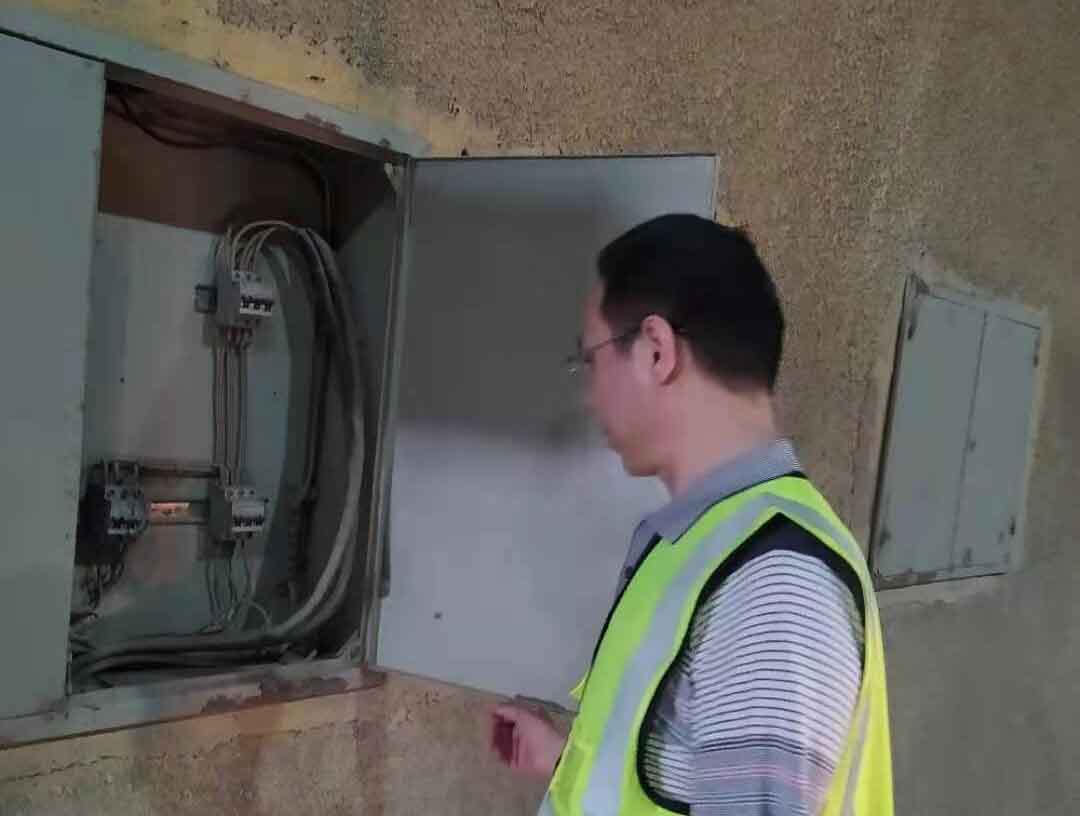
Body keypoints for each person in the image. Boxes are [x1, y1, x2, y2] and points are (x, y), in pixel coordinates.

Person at [489, 214, 893, 816]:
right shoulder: (710, 544)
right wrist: (566, 759)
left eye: (590, 360)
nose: (589, 396)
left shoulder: (773, 584)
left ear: (656, 350)